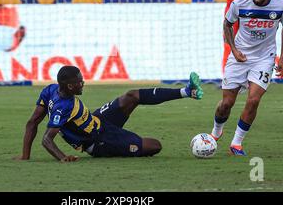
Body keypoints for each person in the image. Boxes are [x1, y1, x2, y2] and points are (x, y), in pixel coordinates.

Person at [14, 66, 204, 162]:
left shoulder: (50, 90)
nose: (83, 82)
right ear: (71, 86)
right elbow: (47, 139)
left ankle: (187, 92)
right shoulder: (63, 107)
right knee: (155, 146)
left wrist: (25, 156)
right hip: (97, 141)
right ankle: (120, 146)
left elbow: (32, 123)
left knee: (131, 96)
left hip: (98, 120)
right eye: (80, 81)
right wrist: (62, 157)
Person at [210, 0, 283, 156]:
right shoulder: (239, 3)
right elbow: (227, 25)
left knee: (253, 100)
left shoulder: (282, 6)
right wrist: (234, 50)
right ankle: (216, 133)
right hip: (239, 57)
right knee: (226, 104)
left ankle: (236, 144)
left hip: (264, 58)